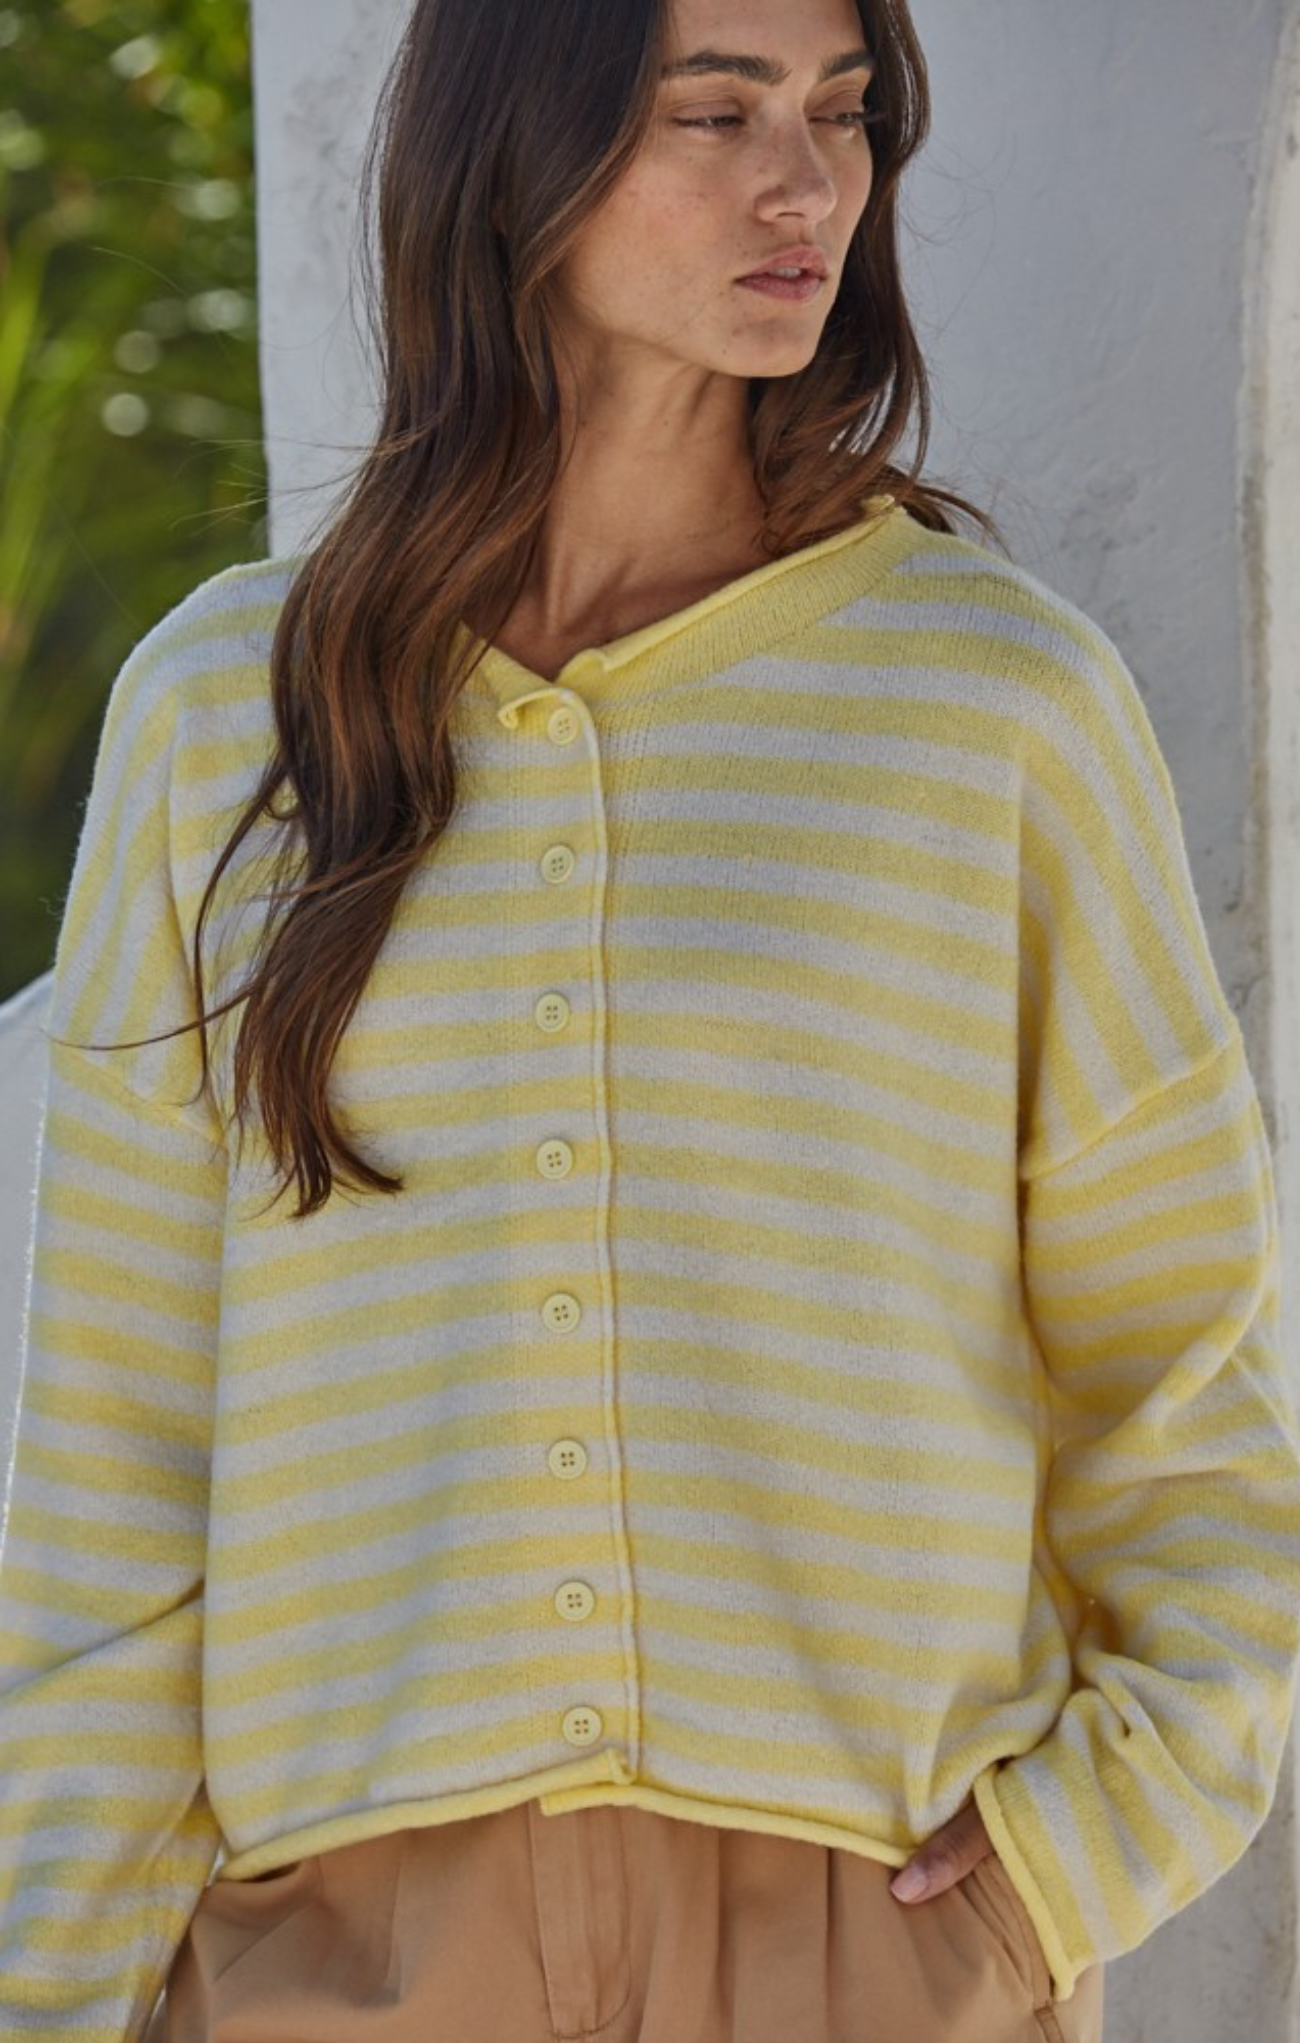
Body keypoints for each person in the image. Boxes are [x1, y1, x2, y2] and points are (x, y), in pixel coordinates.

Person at [2, 0, 1298, 2036]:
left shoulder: (989, 707)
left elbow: (1179, 1361)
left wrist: (1077, 1855)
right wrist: (57, 1989)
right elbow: (117, 1445)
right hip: (337, 1944)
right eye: (715, 112)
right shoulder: (225, 718)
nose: (808, 185)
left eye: (842, 112)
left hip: (862, 1923)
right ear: (518, 151)